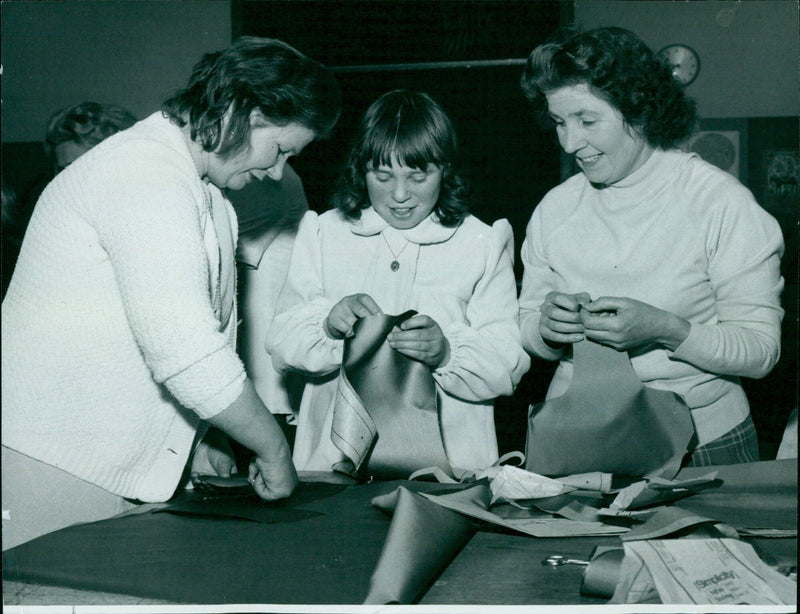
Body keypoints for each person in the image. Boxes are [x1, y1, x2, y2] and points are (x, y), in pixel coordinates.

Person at [1, 36, 341, 550]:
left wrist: (198, 439)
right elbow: (187, 355)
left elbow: (171, 341)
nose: (276, 172)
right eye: (280, 150)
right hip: (53, 462)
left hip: (99, 461)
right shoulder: (145, 175)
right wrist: (273, 450)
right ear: (238, 112)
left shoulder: (203, 192)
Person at [518, 27, 784, 467]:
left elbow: (760, 350)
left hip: (705, 444)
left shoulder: (720, 202)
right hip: (577, 437)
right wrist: (547, 329)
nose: (569, 143)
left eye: (587, 121)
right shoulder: (555, 207)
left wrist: (666, 329)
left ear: (638, 110)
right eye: (559, 122)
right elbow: (528, 323)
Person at [267, 89, 530, 477]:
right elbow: (281, 343)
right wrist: (328, 324)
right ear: (362, 170)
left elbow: (507, 365)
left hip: (450, 466)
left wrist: (446, 352)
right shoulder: (325, 232)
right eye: (383, 176)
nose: (400, 195)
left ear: (446, 170)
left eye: (418, 176)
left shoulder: (481, 242)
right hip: (332, 463)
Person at [2, 102, 138, 299]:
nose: (69, 181)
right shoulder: (42, 210)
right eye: (63, 170)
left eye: (82, 168)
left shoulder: (145, 212)